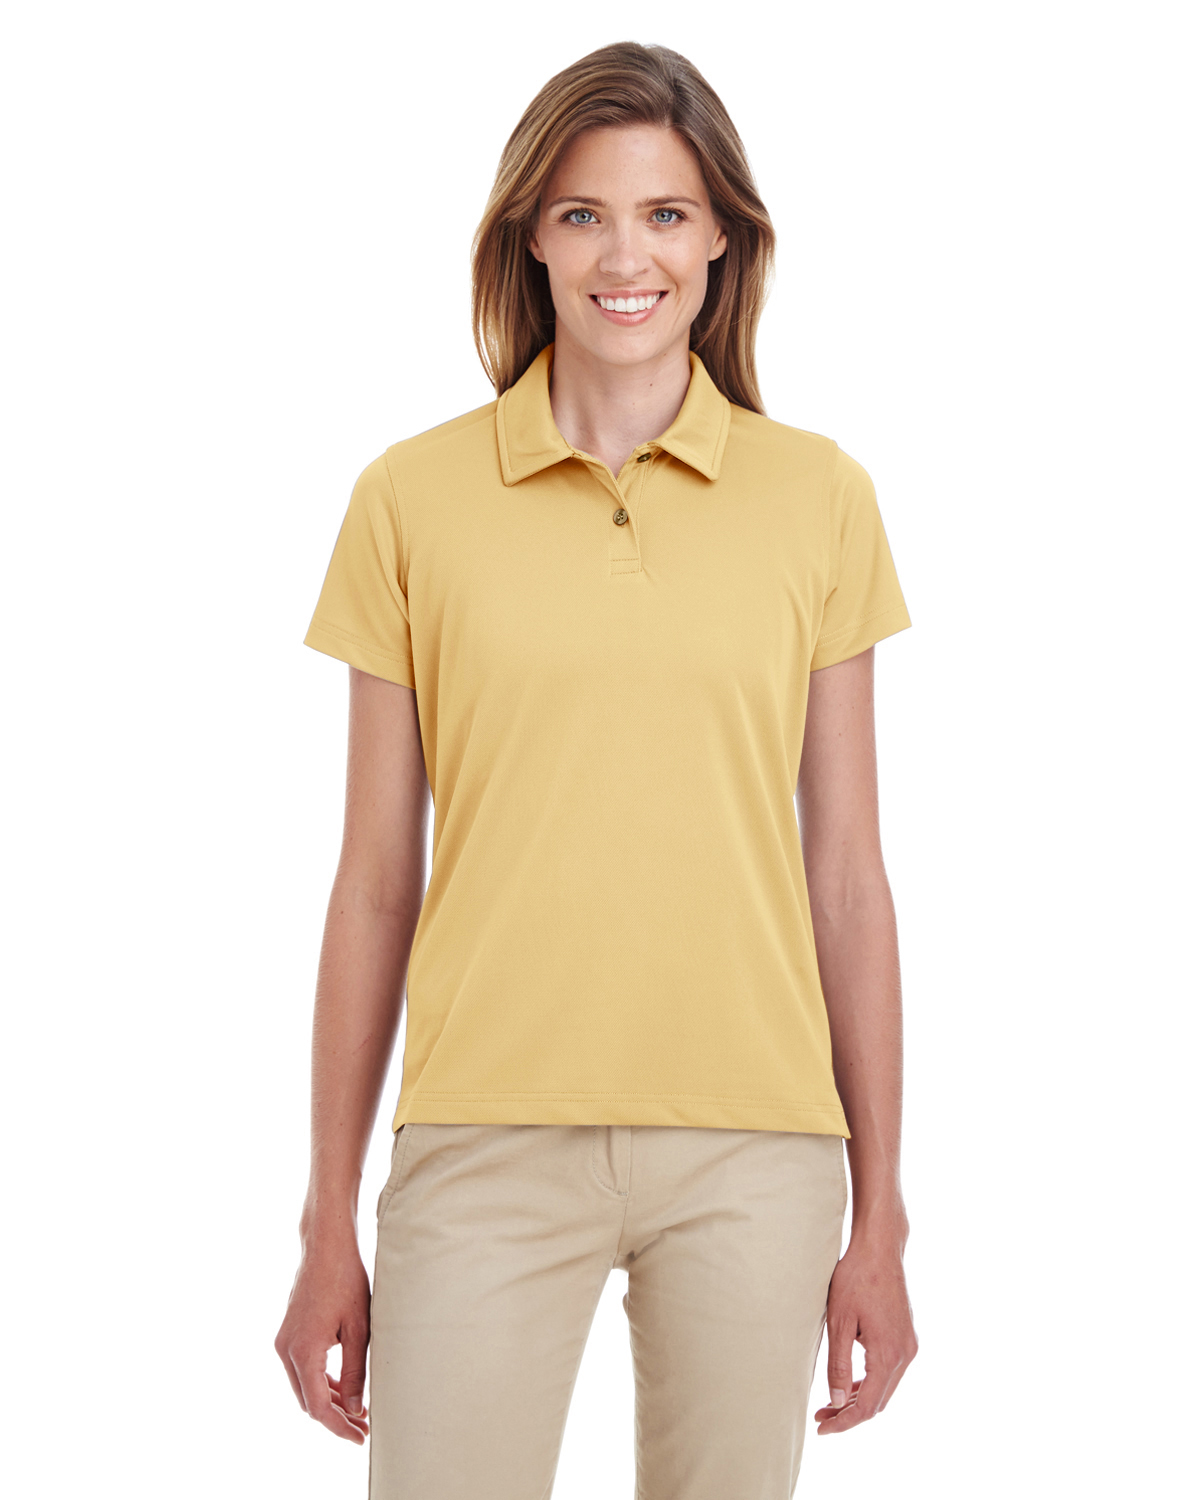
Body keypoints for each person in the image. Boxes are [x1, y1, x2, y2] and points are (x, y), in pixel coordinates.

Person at [275, 39, 918, 1500]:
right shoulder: (409, 498)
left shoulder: (820, 498)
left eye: (667, 214)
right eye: (584, 214)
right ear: (532, 237)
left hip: (757, 1145)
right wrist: (326, 1221)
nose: (628, 257)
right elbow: (374, 881)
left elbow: (847, 877)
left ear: (724, 239)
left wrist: (881, 1214)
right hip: (482, 1135)